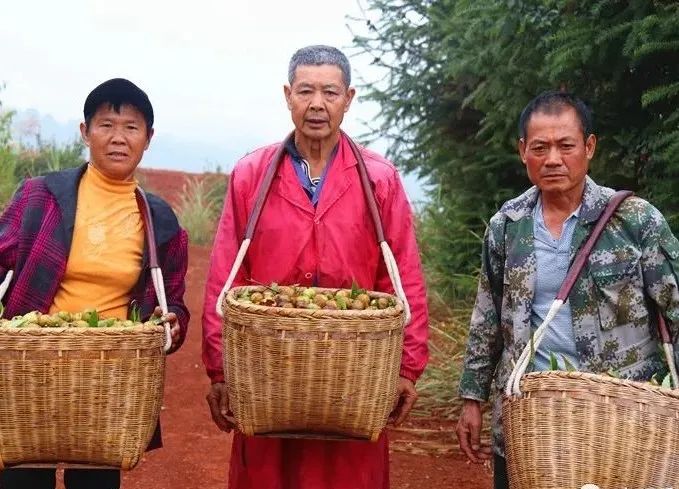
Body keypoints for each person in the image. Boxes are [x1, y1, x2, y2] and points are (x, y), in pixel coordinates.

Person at [201, 45, 429, 489]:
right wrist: (219, 369)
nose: (317, 104)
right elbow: (226, 278)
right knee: (268, 473)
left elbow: (403, 278)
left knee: (348, 475)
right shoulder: (252, 174)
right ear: (288, 96)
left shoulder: (378, 179)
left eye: (330, 92)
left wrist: (406, 368)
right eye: (306, 91)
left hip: (354, 375)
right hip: (267, 369)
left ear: (349, 98)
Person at [455, 90, 679, 488]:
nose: (553, 159)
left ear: (589, 147)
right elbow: (487, 318)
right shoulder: (507, 227)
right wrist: (472, 399)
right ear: (523, 151)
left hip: (622, 421)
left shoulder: (634, 221)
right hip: (533, 420)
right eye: (540, 147)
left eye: (566, 145)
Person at [0, 78, 190, 489]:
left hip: (105, 380)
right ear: (85, 133)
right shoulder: (40, 197)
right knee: (22, 479)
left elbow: (172, 300)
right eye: (106, 125)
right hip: (31, 370)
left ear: (148, 138)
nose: (118, 138)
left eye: (131, 127)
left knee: (95, 483)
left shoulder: (160, 221)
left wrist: (171, 321)